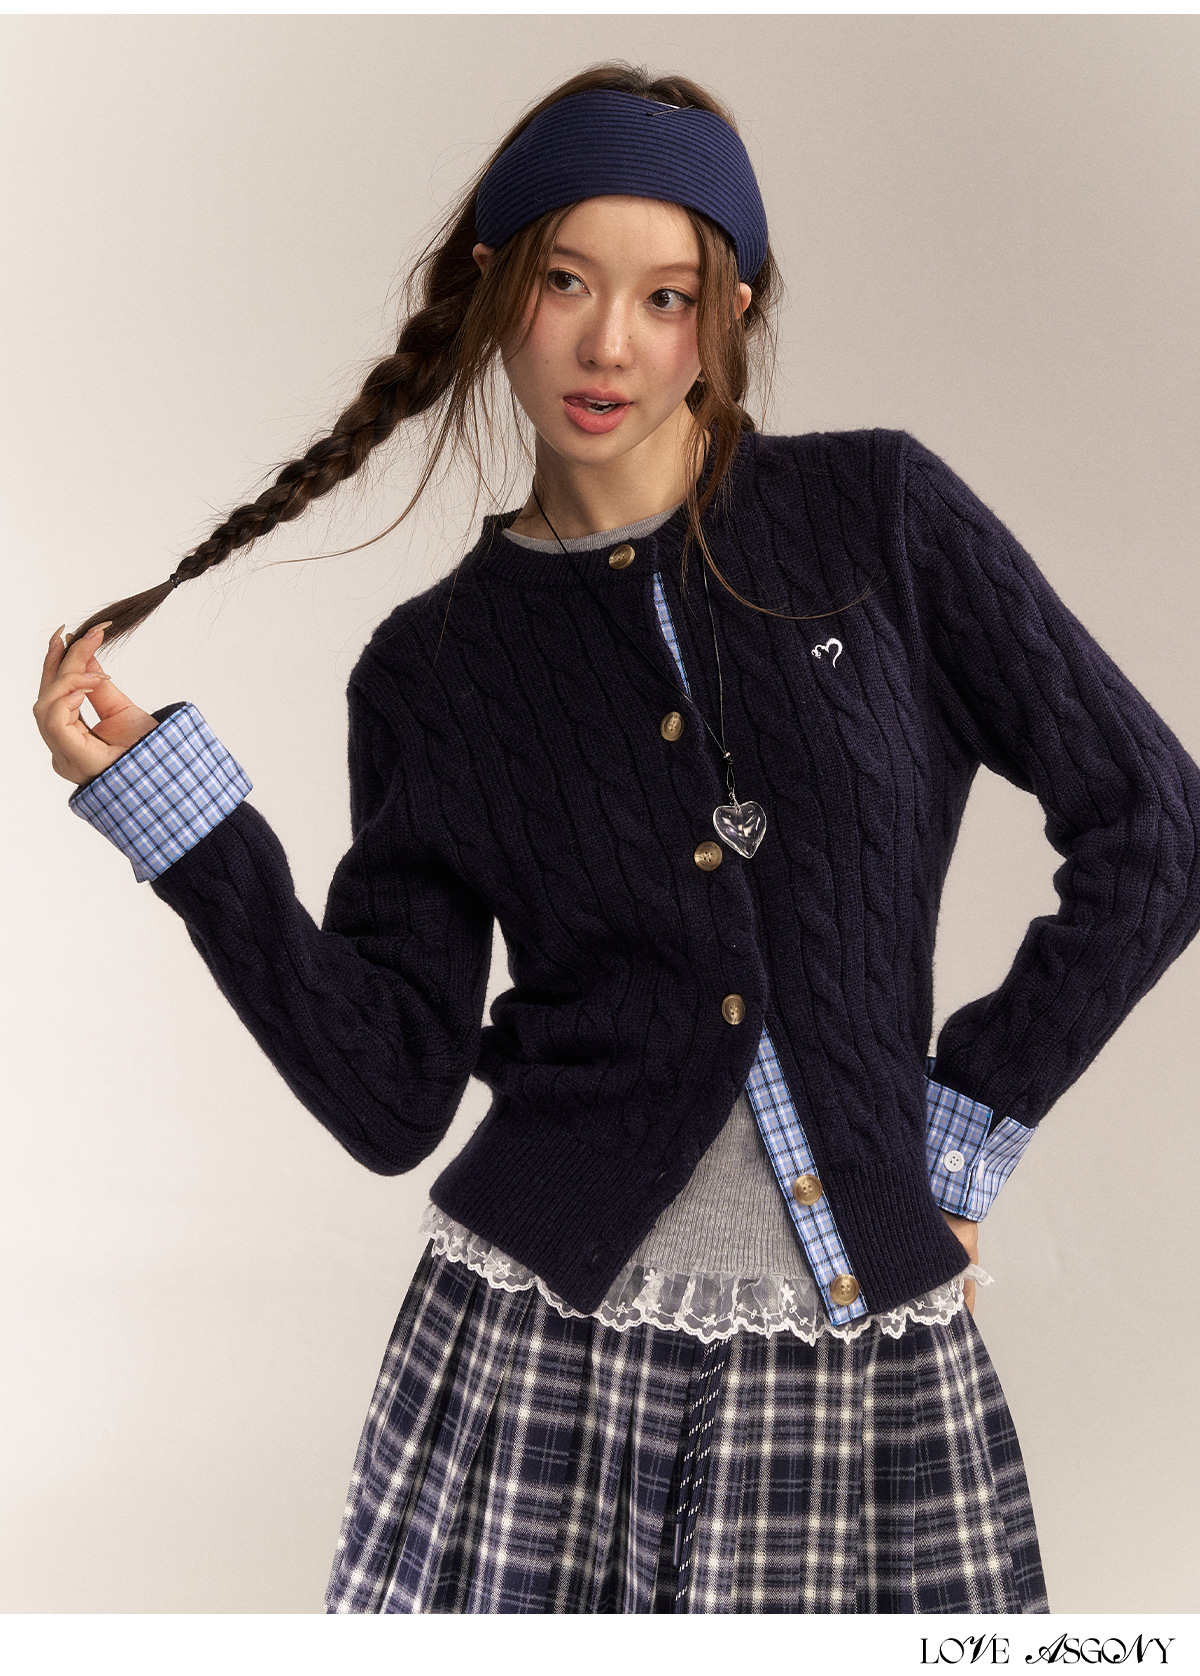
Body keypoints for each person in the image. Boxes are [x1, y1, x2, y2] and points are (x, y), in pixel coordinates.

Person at [32, 64, 1200, 1615]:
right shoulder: (433, 668)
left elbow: (1155, 826)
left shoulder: (878, 520)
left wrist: (962, 1125)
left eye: (668, 297)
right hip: (530, 1360)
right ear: (493, 287)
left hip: (856, 1363)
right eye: (568, 282)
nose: (609, 345)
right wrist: (185, 831)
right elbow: (390, 1091)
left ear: (729, 315)